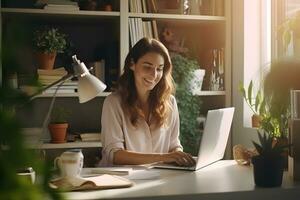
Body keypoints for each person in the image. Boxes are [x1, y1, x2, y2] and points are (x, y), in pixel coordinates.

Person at [99, 37, 196, 167]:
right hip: (123, 180)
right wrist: (165, 157)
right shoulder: (113, 103)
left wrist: (178, 156)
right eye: (147, 67)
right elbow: (115, 155)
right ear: (132, 64)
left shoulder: (170, 102)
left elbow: (174, 146)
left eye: (159, 68)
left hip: (158, 178)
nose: (154, 75)